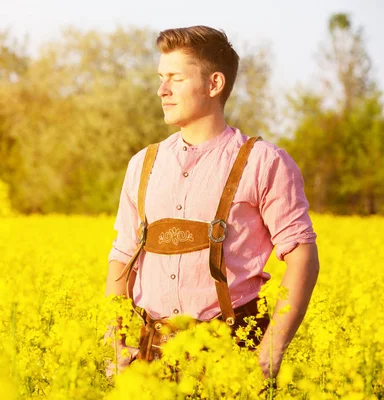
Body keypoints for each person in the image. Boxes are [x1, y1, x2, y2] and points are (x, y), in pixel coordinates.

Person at [104, 26, 320, 380]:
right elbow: (122, 257)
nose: (162, 90)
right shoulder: (143, 163)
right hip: (147, 359)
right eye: (161, 78)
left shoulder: (264, 162)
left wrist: (269, 351)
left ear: (214, 84)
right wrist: (116, 339)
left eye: (174, 78)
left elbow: (303, 259)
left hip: (230, 356)